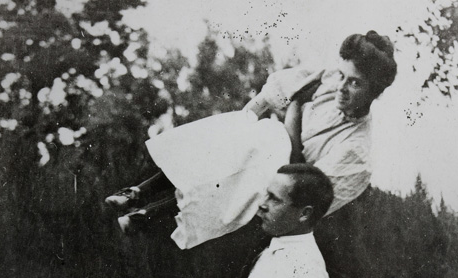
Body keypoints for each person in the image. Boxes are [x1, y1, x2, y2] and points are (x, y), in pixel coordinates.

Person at [107, 31, 396, 249]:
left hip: (277, 193)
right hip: (260, 153)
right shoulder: (329, 80)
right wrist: (240, 125)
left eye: (355, 83)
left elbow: (303, 192)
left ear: (375, 92)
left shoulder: (356, 153)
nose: (341, 88)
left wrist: (294, 110)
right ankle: (138, 194)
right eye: (342, 76)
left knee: (262, 151)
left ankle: (146, 214)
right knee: (239, 140)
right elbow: (273, 93)